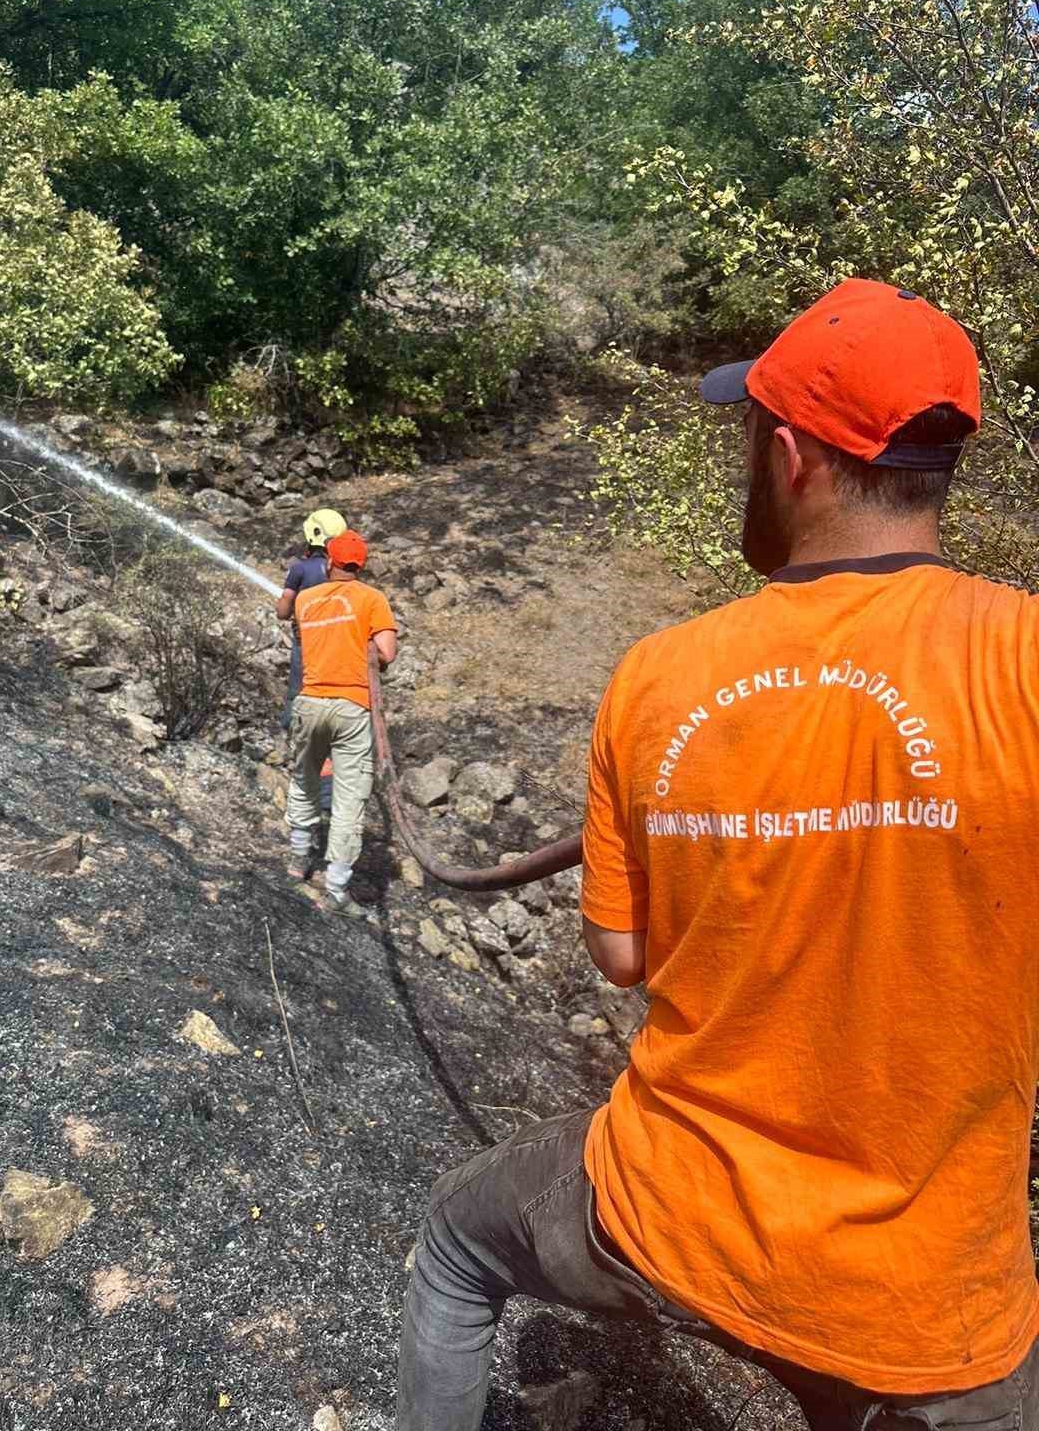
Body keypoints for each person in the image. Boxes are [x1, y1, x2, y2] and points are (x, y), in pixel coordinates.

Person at [397, 279, 1039, 1431]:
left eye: (752, 432)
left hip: (673, 1211)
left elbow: (620, 955)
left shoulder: (658, 676)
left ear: (790, 457)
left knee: (453, 1241)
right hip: (934, 1300)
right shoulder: (1022, 659)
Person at [287, 529, 397, 911]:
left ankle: (298, 859)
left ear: (330, 561)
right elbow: (386, 653)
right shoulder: (372, 599)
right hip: (352, 707)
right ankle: (335, 889)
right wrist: (365, 642)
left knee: (305, 778)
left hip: (310, 703)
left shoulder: (306, 600)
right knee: (349, 797)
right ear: (360, 565)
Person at [276, 507, 347, 731]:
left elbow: (283, 611)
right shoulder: (340, 571)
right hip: (336, 639)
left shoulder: (299, 569)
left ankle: (291, 727)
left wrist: (285, 607)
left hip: (305, 640)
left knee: (298, 687)